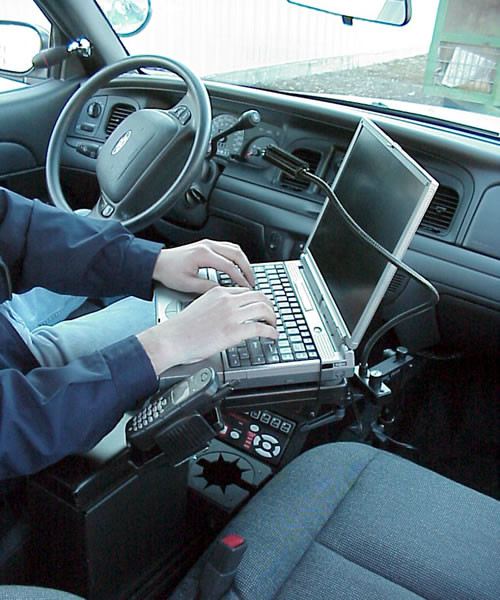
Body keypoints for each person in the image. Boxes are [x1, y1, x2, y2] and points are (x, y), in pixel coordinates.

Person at [0, 187, 277, 480]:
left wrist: (153, 262)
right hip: (18, 395)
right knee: (188, 314)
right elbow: (13, 425)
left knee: (86, 220)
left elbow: (16, 228)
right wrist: (163, 345)